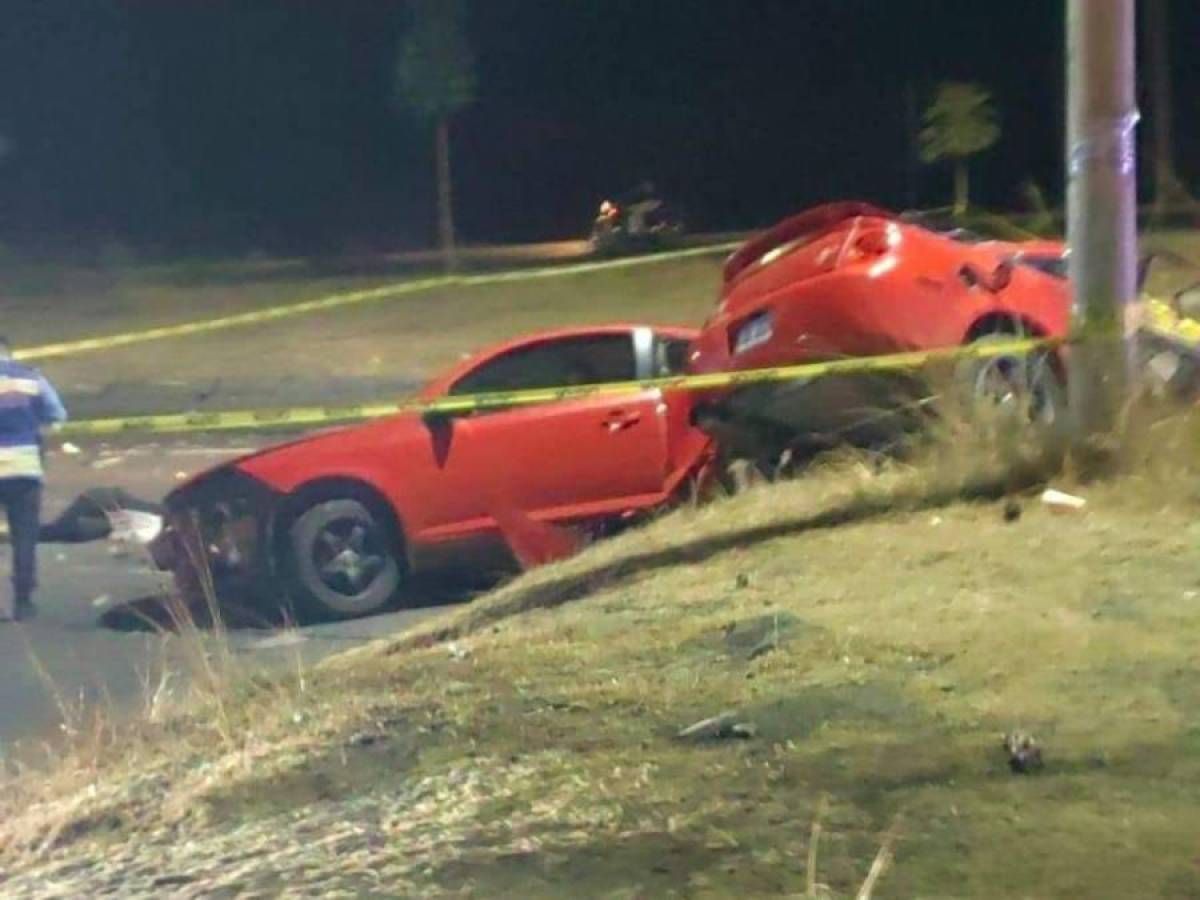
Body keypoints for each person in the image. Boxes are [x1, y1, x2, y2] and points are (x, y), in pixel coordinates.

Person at [0, 336, 67, 621]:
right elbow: (57, 415)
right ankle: (23, 601)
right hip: (25, 467)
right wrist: (36, 434)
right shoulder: (31, 378)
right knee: (24, 536)